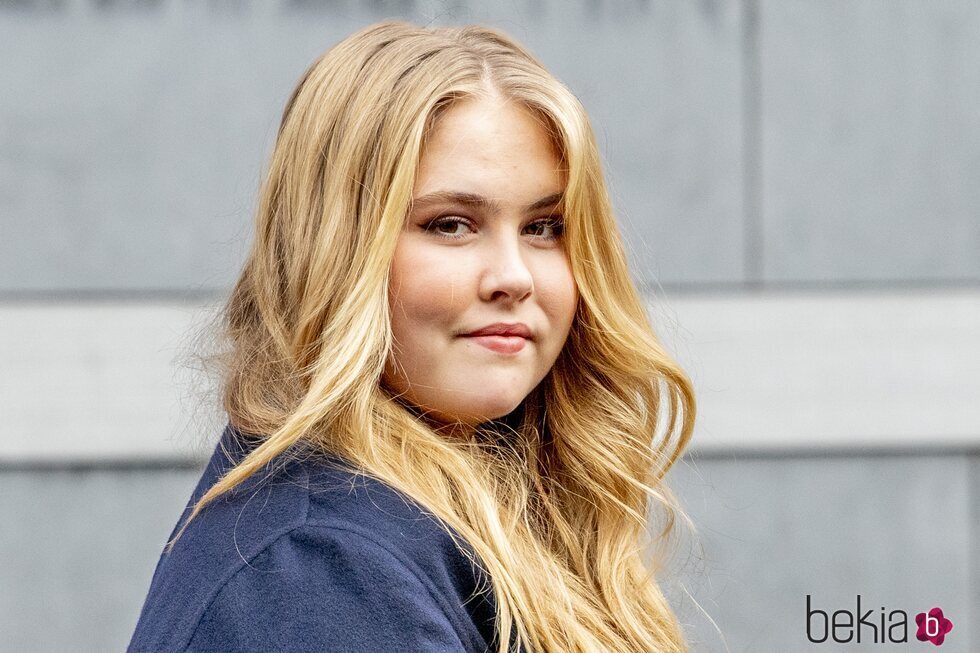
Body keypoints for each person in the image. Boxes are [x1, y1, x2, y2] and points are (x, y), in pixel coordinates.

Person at [129, 20, 695, 653]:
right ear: (336, 252)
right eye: (451, 225)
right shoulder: (319, 571)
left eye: (545, 227)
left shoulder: (448, 519)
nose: (513, 276)